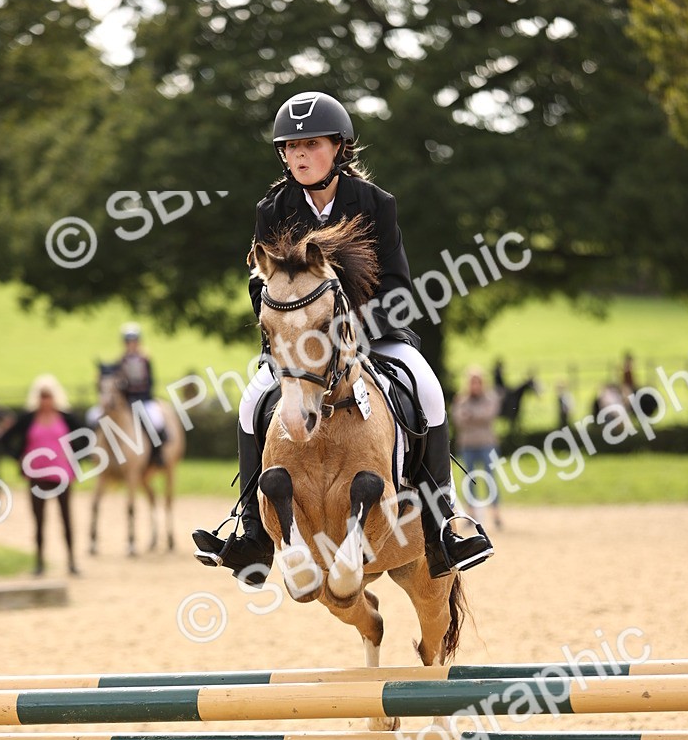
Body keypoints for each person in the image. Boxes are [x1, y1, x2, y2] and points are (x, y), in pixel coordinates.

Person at [193, 90, 494, 584]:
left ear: (339, 148)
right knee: (250, 403)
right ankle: (251, 533)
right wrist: (283, 330)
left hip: (373, 335)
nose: (299, 156)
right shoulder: (273, 209)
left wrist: (353, 329)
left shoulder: (375, 203)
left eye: (310, 145)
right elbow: (260, 284)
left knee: (427, 388)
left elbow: (397, 284)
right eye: (291, 147)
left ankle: (444, 525)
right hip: (300, 349)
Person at [2, 375, 81, 576]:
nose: (45, 400)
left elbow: (85, 438)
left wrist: (74, 457)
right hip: (37, 477)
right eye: (42, 396)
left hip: (62, 476)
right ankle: (39, 562)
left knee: (66, 518)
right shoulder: (28, 419)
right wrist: (19, 458)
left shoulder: (66, 418)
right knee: (39, 520)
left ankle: (71, 561)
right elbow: (5, 439)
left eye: (49, 396)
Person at [452, 369, 503, 530]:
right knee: (469, 480)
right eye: (472, 382)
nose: (474, 385)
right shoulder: (461, 399)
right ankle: (471, 515)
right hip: (467, 445)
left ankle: (496, 514)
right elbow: (458, 419)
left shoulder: (490, 398)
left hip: (487, 444)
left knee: (490, 479)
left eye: (477, 382)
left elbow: (488, 415)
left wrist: (470, 415)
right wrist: (476, 416)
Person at [117, 323, 166, 447]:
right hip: (127, 401)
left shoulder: (145, 359)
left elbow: (150, 381)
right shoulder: (121, 360)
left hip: (144, 399)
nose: (131, 344)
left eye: (133, 341)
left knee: (156, 421)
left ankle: (157, 451)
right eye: (128, 341)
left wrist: (144, 395)